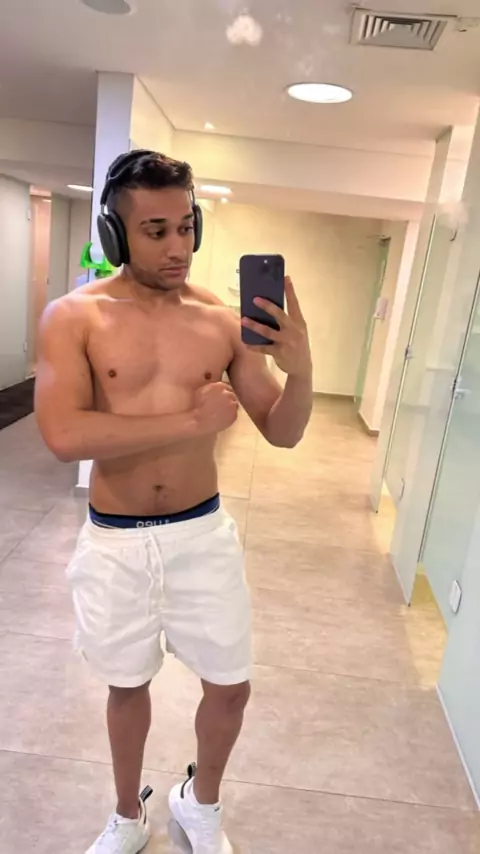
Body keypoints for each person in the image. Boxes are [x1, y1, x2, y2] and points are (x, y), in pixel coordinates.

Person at [34, 150, 313, 854]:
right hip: (116, 542)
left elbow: (282, 430)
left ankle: (200, 803)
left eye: (186, 227)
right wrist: (189, 422)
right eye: (156, 231)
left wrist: (303, 370)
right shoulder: (75, 317)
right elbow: (63, 435)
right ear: (115, 234)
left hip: (200, 535)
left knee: (230, 685)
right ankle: (127, 815)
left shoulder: (220, 320)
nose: (177, 247)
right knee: (126, 686)